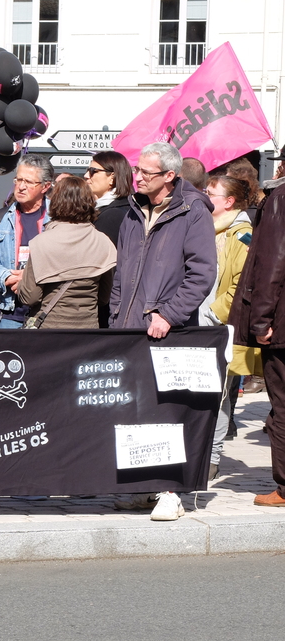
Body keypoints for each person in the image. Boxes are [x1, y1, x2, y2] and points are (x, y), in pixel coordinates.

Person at [110, 141, 217, 521]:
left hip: (169, 330)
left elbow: (202, 274)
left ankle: (171, 492)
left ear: (170, 176)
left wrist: (169, 315)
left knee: (168, 412)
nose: (136, 177)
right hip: (129, 328)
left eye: (145, 172)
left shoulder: (193, 212)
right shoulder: (133, 211)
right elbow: (121, 272)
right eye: (137, 169)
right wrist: (116, 317)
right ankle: (144, 487)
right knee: (136, 410)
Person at [229, 162, 285, 506]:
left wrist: (261, 319)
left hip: (281, 324)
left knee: (283, 404)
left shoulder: (280, 198)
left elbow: (272, 263)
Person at [202, 174, 258, 479]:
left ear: (229, 202)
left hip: (219, 326)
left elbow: (241, 285)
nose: (204, 195)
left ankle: (210, 458)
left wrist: (213, 312)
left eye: (211, 193)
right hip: (202, 325)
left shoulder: (241, 234)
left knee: (219, 394)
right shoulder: (210, 229)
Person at [16, 175, 116, 329]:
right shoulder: (103, 242)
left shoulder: (41, 243)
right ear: (89, 202)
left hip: (50, 329)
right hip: (87, 330)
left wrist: (21, 284)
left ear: (55, 202)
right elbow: (103, 297)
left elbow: (30, 297)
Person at [0, 153, 54, 328]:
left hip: (47, 313)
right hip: (10, 314)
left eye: (28, 182)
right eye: (18, 180)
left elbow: (67, 262)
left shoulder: (58, 217)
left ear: (45, 186)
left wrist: (30, 277)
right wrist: (6, 276)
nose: (21, 187)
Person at [84, 150, 133, 248]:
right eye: (87, 170)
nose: (86, 176)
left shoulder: (112, 215)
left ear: (112, 177)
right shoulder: (126, 206)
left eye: (93, 171)